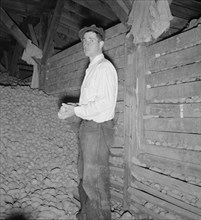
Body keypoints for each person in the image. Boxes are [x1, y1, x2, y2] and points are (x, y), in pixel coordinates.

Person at [58, 25, 118, 220]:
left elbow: (105, 103)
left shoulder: (104, 68)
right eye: (84, 40)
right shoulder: (92, 68)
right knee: (85, 175)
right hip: (89, 128)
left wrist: (76, 110)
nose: (86, 43)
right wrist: (73, 108)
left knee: (95, 180)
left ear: (101, 43)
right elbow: (90, 102)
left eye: (90, 40)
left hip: (98, 129)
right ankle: (86, 215)